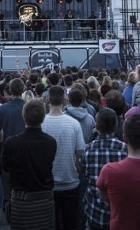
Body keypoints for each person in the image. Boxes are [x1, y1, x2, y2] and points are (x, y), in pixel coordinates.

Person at [2, 99, 57, 230]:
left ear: (23, 116)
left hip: (21, 200)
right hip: (44, 199)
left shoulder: (12, 143)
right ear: (43, 118)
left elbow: (6, 166)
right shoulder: (50, 142)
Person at [42, 86, 86, 230]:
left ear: (48, 100)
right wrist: (77, 171)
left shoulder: (41, 124)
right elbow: (80, 153)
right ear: (65, 100)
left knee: (52, 223)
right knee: (70, 222)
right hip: (70, 181)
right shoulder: (74, 124)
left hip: (48, 183)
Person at [80, 108, 128, 230]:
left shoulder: (88, 149)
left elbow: (83, 173)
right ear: (116, 125)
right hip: (119, 213)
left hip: (94, 212)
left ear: (96, 126)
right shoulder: (125, 149)